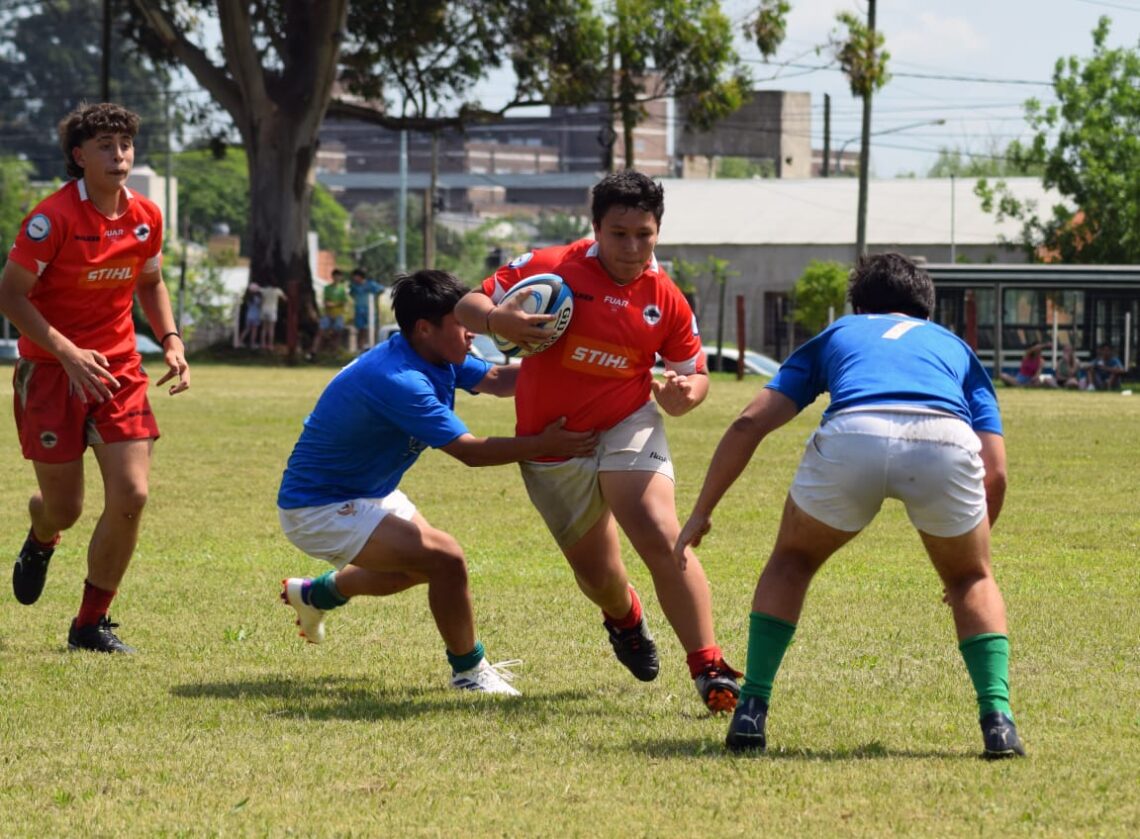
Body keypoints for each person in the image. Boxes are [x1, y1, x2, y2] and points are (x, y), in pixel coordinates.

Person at [675, 253, 1024, 758]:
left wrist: (704, 508)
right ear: (927, 311)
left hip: (853, 433)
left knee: (792, 563)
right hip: (943, 440)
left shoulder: (841, 333)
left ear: (859, 306)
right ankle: (999, 722)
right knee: (972, 580)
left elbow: (751, 422)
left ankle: (752, 710)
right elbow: (996, 470)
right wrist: (972, 556)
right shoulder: (954, 347)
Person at [453, 170, 741, 713]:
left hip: (627, 420)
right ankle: (624, 617)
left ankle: (709, 667)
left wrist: (687, 395)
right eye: (619, 233)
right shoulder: (550, 266)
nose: (633, 248)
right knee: (599, 576)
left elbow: (694, 372)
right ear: (595, 228)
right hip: (551, 442)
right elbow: (468, 304)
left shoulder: (666, 297)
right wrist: (498, 319)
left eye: (645, 234)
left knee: (658, 530)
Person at [278, 269, 597, 694]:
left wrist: (581, 365)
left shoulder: (433, 353)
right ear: (425, 328)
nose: (473, 335)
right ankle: (469, 672)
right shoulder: (399, 381)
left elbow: (500, 380)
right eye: (464, 324)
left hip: (367, 492)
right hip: (318, 507)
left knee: (417, 569)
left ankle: (317, 595)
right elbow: (469, 451)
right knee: (446, 559)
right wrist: (543, 444)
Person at [0, 102, 190, 654]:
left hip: (118, 370)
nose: (119, 155)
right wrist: (65, 352)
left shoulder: (146, 216)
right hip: (51, 371)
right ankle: (42, 531)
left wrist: (171, 338)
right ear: (79, 157)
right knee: (67, 508)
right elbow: (10, 294)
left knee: (131, 494)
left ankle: (90, 623)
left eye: (125, 145)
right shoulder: (52, 218)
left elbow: (150, 282)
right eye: (105, 145)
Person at [309, 268, 348, 357]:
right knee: (321, 332)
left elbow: (343, 302)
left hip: (338, 314)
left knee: (337, 334)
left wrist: (334, 304)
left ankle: (334, 352)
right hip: (328, 314)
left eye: (338, 276)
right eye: (335, 276)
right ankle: (313, 351)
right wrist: (336, 304)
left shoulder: (342, 289)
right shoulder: (327, 288)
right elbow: (327, 303)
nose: (337, 278)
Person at [348, 267, 384, 350]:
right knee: (361, 330)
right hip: (359, 311)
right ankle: (360, 348)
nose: (354, 278)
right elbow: (351, 294)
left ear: (360, 276)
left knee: (371, 329)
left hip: (370, 311)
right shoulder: (354, 286)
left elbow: (381, 289)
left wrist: (375, 297)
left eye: (355, 276)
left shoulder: (370, 284)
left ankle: (372, 347)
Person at [258, 282, 287, 351]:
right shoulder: (277, 291)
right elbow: (285, 298)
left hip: (264, 310)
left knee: (264, 328)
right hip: (272, 310)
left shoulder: (265, 290)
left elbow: (257, 290)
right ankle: (270, 345)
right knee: (271, 329)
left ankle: (262, 344)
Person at [238, 282, 262, 348]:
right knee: (254, 330)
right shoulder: (257, 298)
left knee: (247, 329)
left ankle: (239, 341)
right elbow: (260, 305)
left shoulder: (248, 298)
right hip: (256, 315)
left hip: (248, 315)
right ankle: (252, 344)